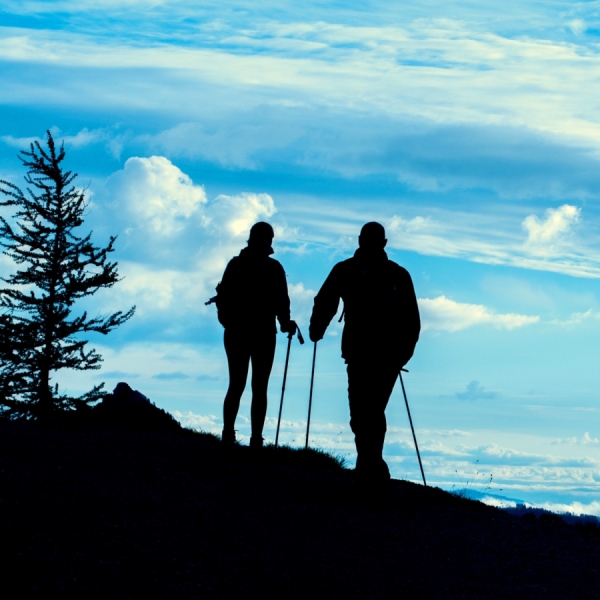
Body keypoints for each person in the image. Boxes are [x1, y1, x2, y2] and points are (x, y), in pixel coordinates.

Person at [309, 222, 420, 488]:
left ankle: (368, 466)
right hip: (372, 354)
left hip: (376, 354)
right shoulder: (394, 274)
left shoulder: (350, 270)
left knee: (365, 411)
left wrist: (318, 327)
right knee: (367, 411)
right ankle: (372, 465)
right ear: (384, 242)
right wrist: (317, 326)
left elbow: (325, 300)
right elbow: (411, 320)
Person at [214, 222, 297, 449]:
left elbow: (281, 301)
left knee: (243, 384)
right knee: (252, 386)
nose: (265, 242)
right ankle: (252, 439)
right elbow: (282, 301)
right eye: (264, 238)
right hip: (257, 333)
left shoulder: (238, 265)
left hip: (245, 332)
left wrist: (285, 321)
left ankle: (233, 436)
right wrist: (285, 322)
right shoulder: (272, 268)